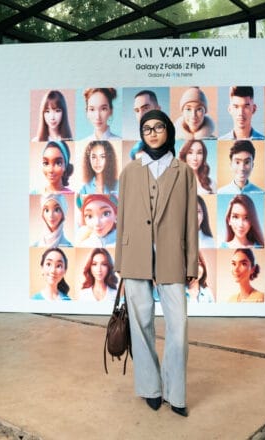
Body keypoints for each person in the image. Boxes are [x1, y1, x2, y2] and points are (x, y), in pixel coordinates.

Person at [115, 109, 198, 417]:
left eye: (158, 127)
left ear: (168, 131)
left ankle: (176, 394)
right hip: (135, 254)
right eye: (146, 128)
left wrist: (192, 264)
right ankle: (150, 388)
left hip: (172, 256)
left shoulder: (184, 172)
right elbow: (122, 219)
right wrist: (120, 260)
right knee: (140, 325)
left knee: (179, 326)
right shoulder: (130, 172)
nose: (152, 133)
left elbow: (191, 223)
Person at [129, 90, 162, 160]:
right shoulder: (137, 148)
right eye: (137, 110)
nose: (141, 115)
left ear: (158, 110)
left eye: (146, 108)